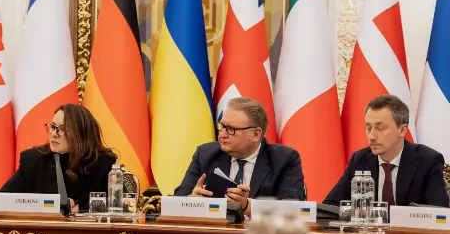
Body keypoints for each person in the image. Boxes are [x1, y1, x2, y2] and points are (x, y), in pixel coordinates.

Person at [173, 97, 306, 215]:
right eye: (222, 126)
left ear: (256, 134)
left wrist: (247, 206)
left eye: (231, 129)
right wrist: (192, 201)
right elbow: (177, 200)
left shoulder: (284, 159)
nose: (222, 135)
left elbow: (294, 209)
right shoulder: (205, 154)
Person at [324, 95, 449, 207]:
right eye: (368, 128)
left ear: (402, 130)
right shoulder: (359, 160)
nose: (372, 136)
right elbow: (330, 206)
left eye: (380, 128)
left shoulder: (427, 160)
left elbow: (440, 213)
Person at [0, 104, 117, 212]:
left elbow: (118, 203)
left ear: (81, 134)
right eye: (53, 127)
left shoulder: (102, 163)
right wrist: (44, 206)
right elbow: (2, 201)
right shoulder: (34, 160)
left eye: (63, 129)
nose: (54, 134)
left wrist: (81, 208)